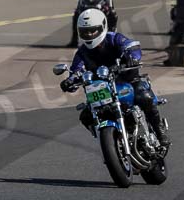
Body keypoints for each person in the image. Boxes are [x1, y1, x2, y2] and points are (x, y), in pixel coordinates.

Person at [60, 9, 171, 156]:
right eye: (85, 32)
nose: (89, 35)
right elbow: (76, 70)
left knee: (144, 96)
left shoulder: (113, 38)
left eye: (92, 31)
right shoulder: (82, 52)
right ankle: (111, 139)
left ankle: (160, 132)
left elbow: (132, 46)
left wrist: (132, 57)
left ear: (102, 27)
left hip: (127, 79)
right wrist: (70, 80)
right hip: (102, 88)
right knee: (86, 116)